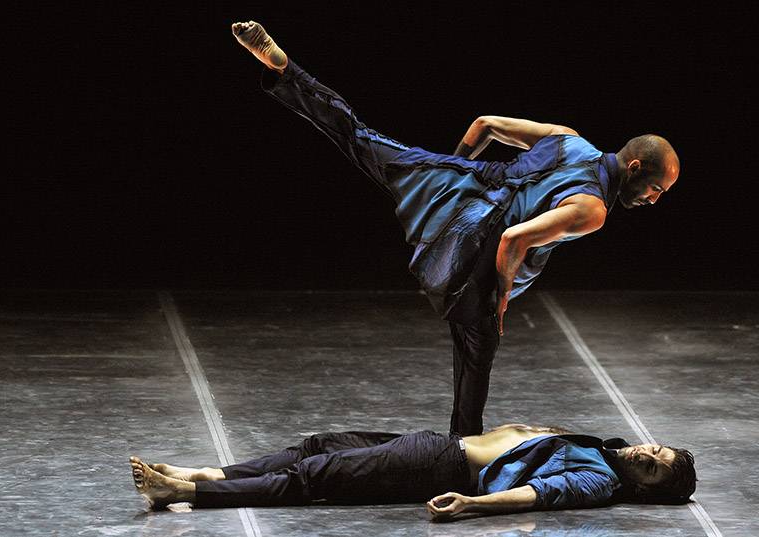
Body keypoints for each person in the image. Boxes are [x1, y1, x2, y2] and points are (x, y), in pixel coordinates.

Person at [231, 22, 681, 436]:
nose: (653, 199)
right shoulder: (593, 209)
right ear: (635, 166)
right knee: (475, 355)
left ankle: (286, 71)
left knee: (359, 137)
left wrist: (452, 172)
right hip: (478, 248)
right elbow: (514, 238)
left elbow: (484, 125)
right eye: (655, 188)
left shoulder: (568, 137)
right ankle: (461, 447)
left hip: (456, 186)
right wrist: (501, 298)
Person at [129, 423, 697, 520]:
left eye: (651, 470)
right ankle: (211, 471)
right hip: (441, 443)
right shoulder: (604, 447)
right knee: (321, 446)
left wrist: (473, 504)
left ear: (644, 492)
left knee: (321, 477)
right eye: (657, 451)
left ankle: (188, 494)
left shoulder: (597, 482)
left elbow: (535, 495)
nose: (645, 456)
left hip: (443, 464)